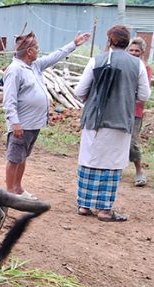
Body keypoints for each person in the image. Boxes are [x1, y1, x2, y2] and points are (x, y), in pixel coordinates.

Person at [74, 25, 151, 222]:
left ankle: (84, 204)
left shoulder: (96, 60)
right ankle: (104, 210)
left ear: (109, 42)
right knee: (112, 163)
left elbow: (80, 91)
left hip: (94, 118)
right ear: (127, 44)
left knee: (90, 159)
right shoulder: (137, 65)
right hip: (120, 119)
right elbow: (144, 95)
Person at [2, 31, 91, 199]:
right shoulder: (15, 70)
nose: (39, 51)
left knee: (22, 157)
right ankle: (9, 192)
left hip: (33, 123)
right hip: (21, 123)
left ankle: (18, 188)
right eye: (37, 48)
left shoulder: (34, 66)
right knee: (14, 158)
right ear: (29, 52)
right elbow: (9, 100)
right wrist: (15, 123)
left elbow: (55, 56)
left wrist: (74, 44)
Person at [126, 37, 152, 187]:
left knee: (132, 142)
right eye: (131, 50)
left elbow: (144, 92)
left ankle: (139, 171)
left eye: (137, 50)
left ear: (142, 52)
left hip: (135, 111)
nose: (134, 53)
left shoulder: (145, 68)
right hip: (119, 109)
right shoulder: (123, 65)